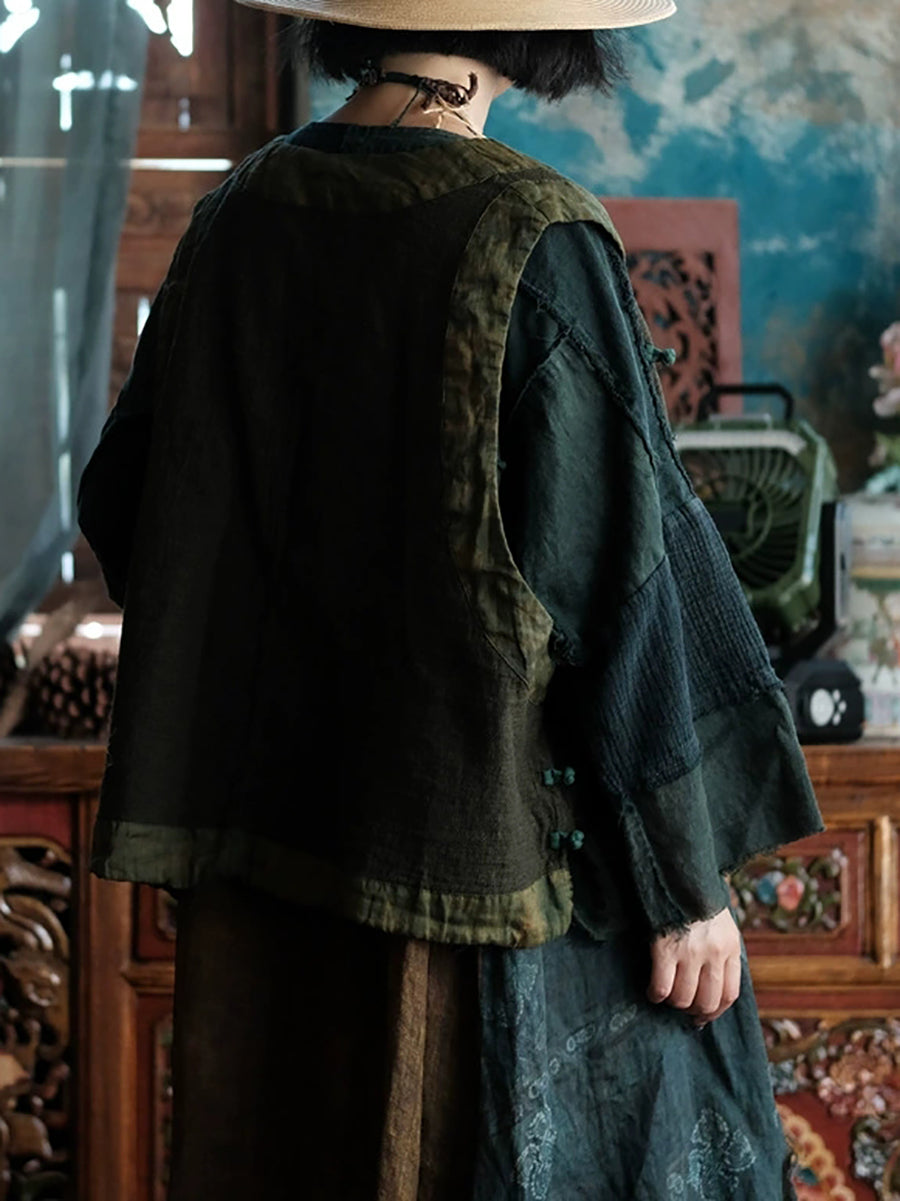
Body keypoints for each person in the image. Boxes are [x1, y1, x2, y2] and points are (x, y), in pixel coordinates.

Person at [77, 1, 825, 1197]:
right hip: (475, 883)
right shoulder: (534, 235)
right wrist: (686, 886)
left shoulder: (237, 215)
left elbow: (127, 506)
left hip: (263, 879)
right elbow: (623, 582)